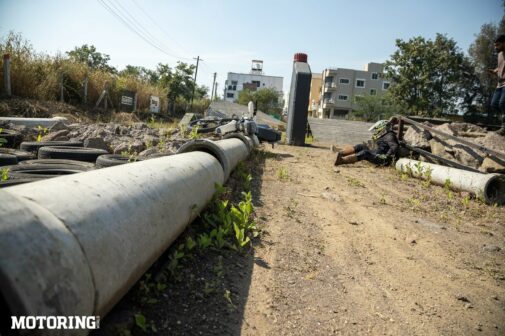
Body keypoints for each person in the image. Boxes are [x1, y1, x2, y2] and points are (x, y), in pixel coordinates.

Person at [333, 119, 399, 166]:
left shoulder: (389, 135)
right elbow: (378, 146)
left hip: (383, 159)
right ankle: (340, 153)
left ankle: (342, 161)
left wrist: (386, 156)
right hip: (377, 154)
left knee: (365, 153)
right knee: (361, 146)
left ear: (382, 128)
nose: (376, 131)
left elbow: (394, 146)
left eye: (377, 130)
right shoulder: (384, 135)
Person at [489, 34, 505, 136]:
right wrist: (495, 71)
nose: (496, 47)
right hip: (500, 83)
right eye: (495, 45)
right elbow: (500, 66)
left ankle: (504, 128)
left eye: (498, 45)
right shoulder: (499, 55)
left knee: (502, 103)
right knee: (494, 104)